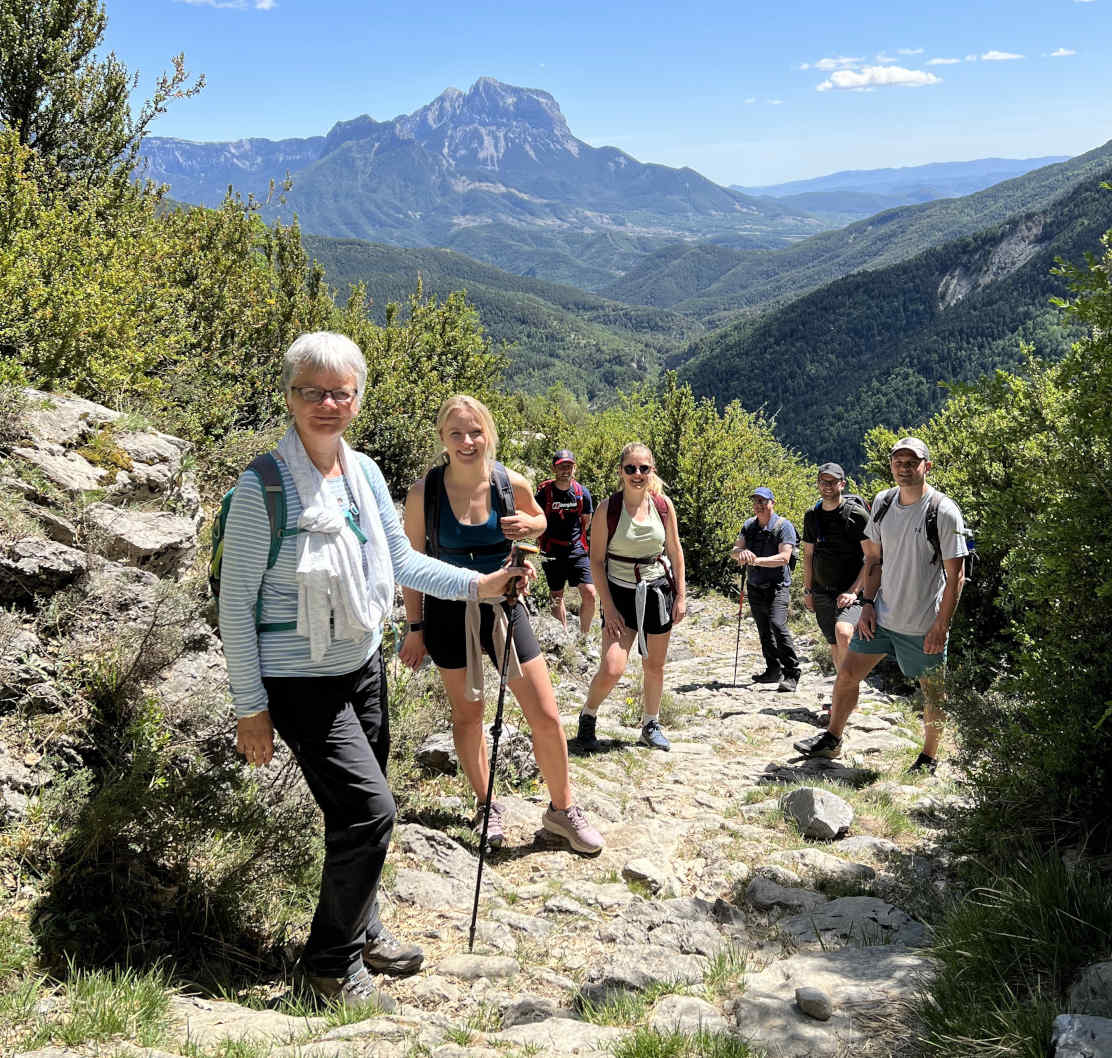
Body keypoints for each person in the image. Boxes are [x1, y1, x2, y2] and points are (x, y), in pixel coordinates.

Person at [220, 333, 531, 1007]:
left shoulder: (360, 473)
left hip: (361, 666)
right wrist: (251, 706)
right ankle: (329, 969)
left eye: (340, 392)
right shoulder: (261, 489)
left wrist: (480, 586)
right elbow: (234, 606)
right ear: (290, 397)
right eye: (312, 391)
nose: (327, 404)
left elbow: (399, 564)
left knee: (354, 813)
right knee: (369, 812)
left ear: (357, 400)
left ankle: (360, 929)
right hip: (300, 683)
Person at [400, 395, 603, 856]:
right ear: (442, 439)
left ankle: (562, 809)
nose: (467, 441)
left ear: (489, 434)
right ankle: (485, 803)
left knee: (546, 715)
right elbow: (409, 565)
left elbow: (541, 517)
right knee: (468, 715)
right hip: (448, 611)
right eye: (456, 433)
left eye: (475, 432)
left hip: (506, 608)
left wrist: (526, 528)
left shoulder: (508, 483)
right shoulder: (424, 493)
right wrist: (416, 628)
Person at [794, 437, 968, 773]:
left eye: (911, 462)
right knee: (847, 674)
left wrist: (941, 626)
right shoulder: (884, 503)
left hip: (922, 624)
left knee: (932, 693)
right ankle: (832, 738)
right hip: (882, 617)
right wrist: (869, 604)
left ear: (926, 466)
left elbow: (956, 576)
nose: (904, 467)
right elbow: (873, 559)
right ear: (891, 466)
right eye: (898, 461)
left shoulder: (943, 511)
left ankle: (929, 757)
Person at [575, 443, 687, 753]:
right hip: (620, 594)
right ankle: (588, 715)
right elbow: (596, 560)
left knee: (655, 665)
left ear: (652, 471)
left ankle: (650, 724)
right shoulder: (608, 509)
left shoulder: (662, 506)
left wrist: (681, 594)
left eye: (643, 468)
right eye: (630, 469)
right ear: (621, 472)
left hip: (657, 591)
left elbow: (675, 551)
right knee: (612, 667)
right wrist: (607, 607)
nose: (637, 474)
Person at [801, 463, 868, 675]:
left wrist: (854, 591)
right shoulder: (812, 515)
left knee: (844, 634)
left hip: (851, 591)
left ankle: (850, 693)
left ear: (842, 484)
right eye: (823, 481)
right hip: (822, 591)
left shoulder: (856, 515)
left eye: (832, 481)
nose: (827, 486)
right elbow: (808, 555)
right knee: (834, 643)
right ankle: (842, 696)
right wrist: (808, 590)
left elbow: (873, 558)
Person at [732, 487, 801, 692]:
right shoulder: (749, 525)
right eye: (756, 501)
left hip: (777, 586)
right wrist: (740, 554)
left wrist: (756, 561)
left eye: (763, 501)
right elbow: (736, 550)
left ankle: (792, 673)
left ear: (772, 503)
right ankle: (773, 670)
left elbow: (784, 558)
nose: (759, 505)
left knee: (777, 625)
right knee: (764, 629)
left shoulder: (783, 526)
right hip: (755, 585)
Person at [535, 449, 597, 636]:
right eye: (561, 466)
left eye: (569, 466)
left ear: (574, 468)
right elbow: (535, 517)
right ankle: (563, 637)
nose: (565, 470)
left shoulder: (581, 493)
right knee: (556, 596)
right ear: (554, 468)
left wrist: (575, 539)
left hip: (576, 549)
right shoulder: (543, 493)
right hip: (551, 549)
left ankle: (584, 637)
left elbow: (586, 521)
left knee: (590, 592)